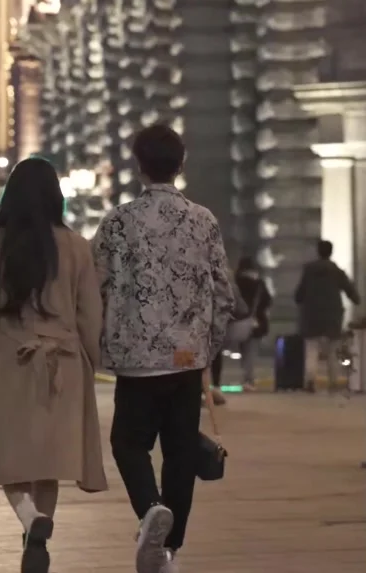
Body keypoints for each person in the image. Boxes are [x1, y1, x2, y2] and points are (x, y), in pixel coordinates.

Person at [93, 124, 234, 573]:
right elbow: (224, 295)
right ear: (180, 164)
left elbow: (93, 285)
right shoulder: (203, 220)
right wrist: (205, 347)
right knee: (180, 453)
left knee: (127, 443)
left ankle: (150, 508)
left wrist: (100, 341)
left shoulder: (119, 221)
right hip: (186, 361)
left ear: (138, 165)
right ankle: (169, 549)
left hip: (137, 361)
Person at [0, 157, 106, 573]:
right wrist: (89, 363)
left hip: (10, 362)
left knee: (11, 456)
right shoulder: (77, 246)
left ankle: (30, 519)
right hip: (62, 366)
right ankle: (38, 533)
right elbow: (89, 313)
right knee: (48, 463)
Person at [295, 239, 360, 392]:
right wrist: (356, 300)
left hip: (312, 315)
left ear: (318, 251)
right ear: (331, 252)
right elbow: (351, 292)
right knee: (333, 349)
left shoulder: (308, 270)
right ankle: (333, 382)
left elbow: (299, 294)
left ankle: (310, 380)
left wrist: (300, 300)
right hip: (333, 315)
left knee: (312, 349)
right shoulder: (337, 271)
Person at [235, 256, 272, 392]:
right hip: (255, 322)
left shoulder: (235, 282)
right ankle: (248, 379)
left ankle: (246, 377)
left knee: (243, 350)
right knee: (251, 352)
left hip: (238, 321)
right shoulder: (259, 283)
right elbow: (267, 301)